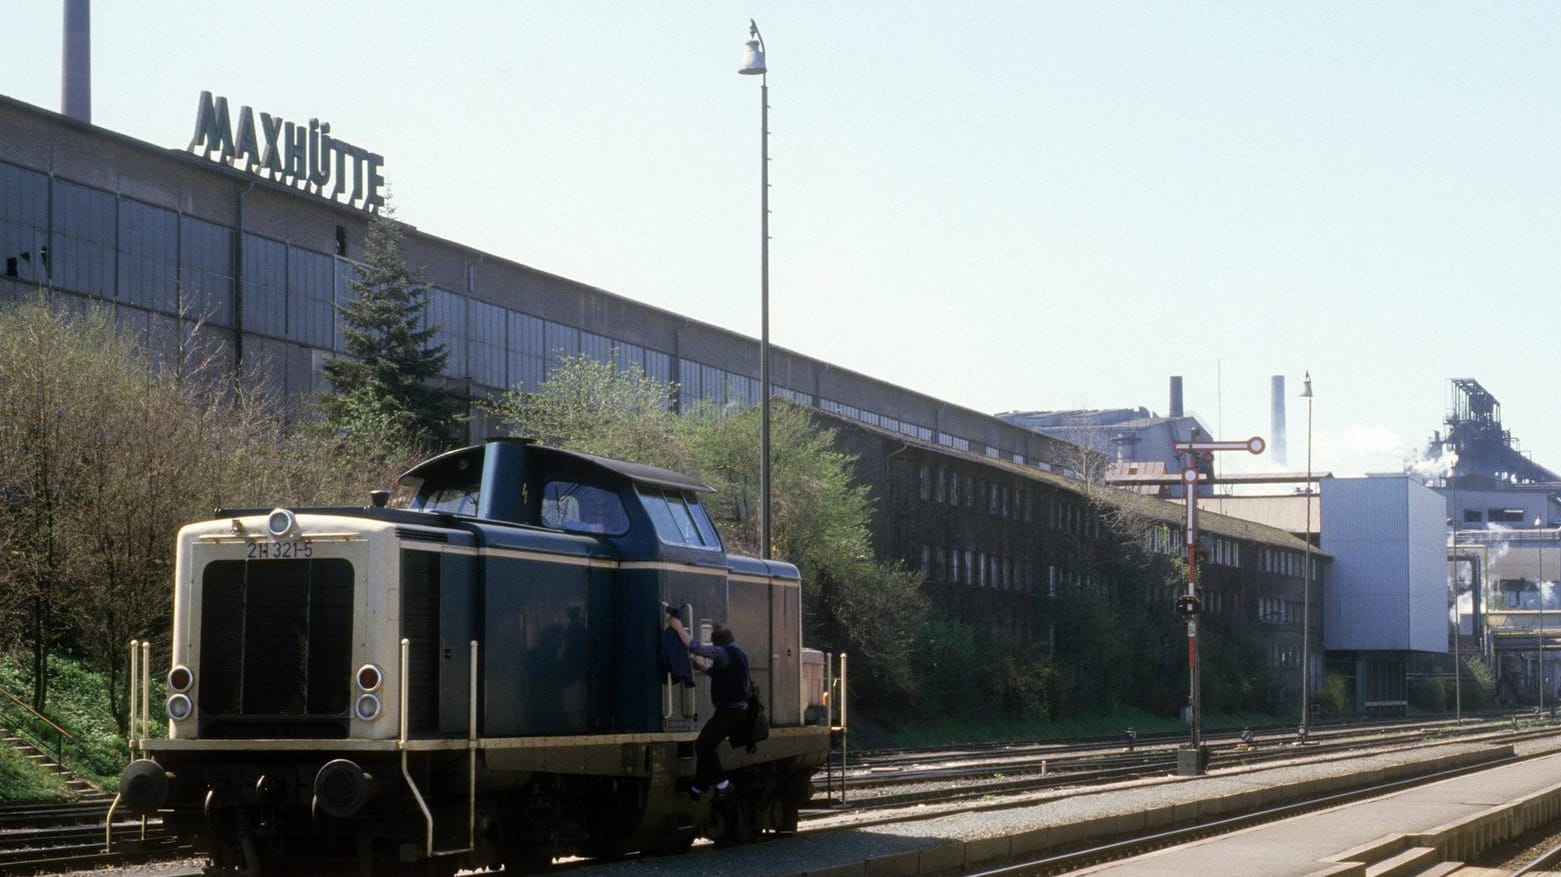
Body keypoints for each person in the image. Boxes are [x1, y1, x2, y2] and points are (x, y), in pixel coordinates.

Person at [666, 615, 749, 801]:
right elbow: (723, 675)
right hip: (735, 712)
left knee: (703, 744)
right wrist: (702, 668)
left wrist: (679, 628)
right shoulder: (738, 653)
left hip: (730, 711)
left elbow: (695, 647)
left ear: (718, 642)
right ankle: (698, 787)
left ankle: (723, 783)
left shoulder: (723, 652)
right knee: (707, 746)